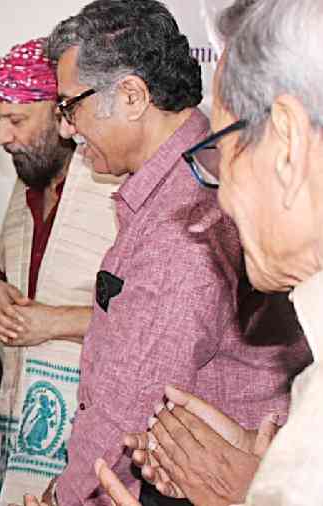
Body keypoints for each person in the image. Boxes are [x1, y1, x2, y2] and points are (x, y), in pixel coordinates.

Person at [32, 1, 310, 504]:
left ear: (133, 95)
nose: (66, 129)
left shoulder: (184, 215)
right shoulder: (178, 176)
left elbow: (126, 404)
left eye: (70, 106)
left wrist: (61, 498)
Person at [0, 39, 120, 504]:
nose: (3, 137)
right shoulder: (30, 184)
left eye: (15, 120)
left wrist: (56, 322)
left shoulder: (117, 185)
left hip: (98, 428)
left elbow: (159, 319)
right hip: (15, 419)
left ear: (63, 116)